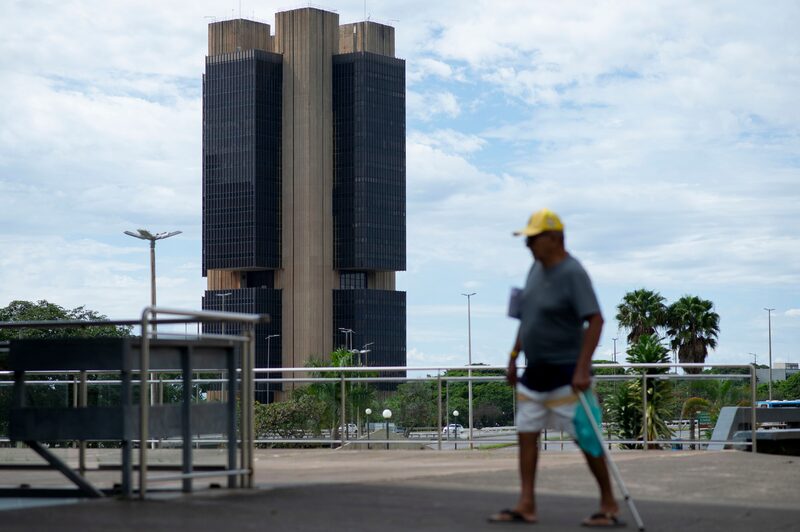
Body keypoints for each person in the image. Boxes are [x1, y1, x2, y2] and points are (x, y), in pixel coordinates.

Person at [489, 208, 623, 528]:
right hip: (534, 373)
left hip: (567, 374)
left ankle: (609, 502)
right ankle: (526, 503)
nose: (528, 245)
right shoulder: (535, 269)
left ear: (555, 239)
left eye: (533, 239)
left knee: (586, 439)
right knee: (526, 435)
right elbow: (526, 317)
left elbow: (596, 319)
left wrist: (582, 368)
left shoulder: (572, 273)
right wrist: (513, 355)